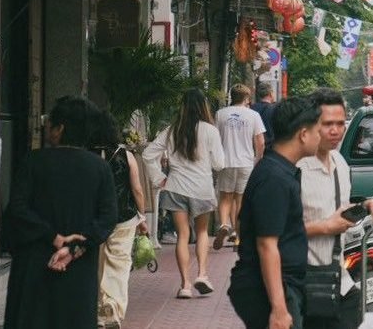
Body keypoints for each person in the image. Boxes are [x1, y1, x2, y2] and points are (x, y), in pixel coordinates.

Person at [2, 96, 118, 329]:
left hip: (33, 269)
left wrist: (52, 237)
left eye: (48, 120)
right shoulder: (99, 168)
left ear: (60, 128)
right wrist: (73, 248)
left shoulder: (33, 162)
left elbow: (17, 210)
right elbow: (108, 218)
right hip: (78, 272)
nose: (45, 125)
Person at [299, 89, 373, 329]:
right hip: (301, 282)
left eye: (340, 123)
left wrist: (367, 204)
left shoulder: (339, 162)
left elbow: (338, 208)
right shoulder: (294, 167)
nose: (336, 130)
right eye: (327, 124)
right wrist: (324, 227)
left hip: (338, 281)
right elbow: (272, 230)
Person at [229, 96, 323, 329]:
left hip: (279, 285)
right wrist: (279, 309)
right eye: (317, 131)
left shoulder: (279, 170)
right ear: (303, 134)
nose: (319, 137)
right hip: (268, 289)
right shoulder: (275, 178)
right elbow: (266, 244)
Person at [145, 88, 228, 299]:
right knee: (201, 233)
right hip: (201, 189)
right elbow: (219, 164)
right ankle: (202, 274)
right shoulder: (210, 131)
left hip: (175, 188)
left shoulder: (172, 130)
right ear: (203, 107)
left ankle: (185, 285)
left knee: (183, 235)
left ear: (182, 107)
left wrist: (158, 178)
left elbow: (147, 154)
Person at [88, 105, 147, 329]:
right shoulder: (126, 155)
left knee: (99, 263)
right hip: (124, 217)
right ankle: (112, 308)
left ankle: (100, 307)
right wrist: (142, 217)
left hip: (95, 219)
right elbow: (137, 189)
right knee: (119, 263)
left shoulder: (87, 154)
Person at [216, 84, 267, 249]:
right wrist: (258, 159)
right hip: (246, 162)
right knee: (241, 200)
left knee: (225, 197)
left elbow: (215, 139)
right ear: (246, 98)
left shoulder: (220, 114)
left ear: (232, 96)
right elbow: (260, 141)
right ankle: (238, 235)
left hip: (226, 161)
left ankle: (224, 225)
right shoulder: (253, 115)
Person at [254, 81, 278, 150]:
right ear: (270, 94)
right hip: (270, 148)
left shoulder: (251, 109)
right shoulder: (275, 109)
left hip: (254, 147)